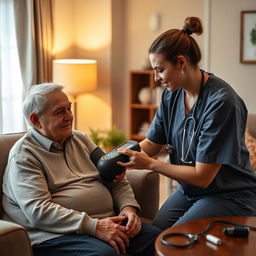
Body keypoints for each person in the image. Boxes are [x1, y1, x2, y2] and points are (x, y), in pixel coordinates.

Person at [117, 16, 256, 231]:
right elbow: (152, 143)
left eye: (160, 70)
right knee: (153, 234)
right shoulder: (171, 95)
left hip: (229, 194)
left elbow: (202, 177)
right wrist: (118, 157)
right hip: (190, 189)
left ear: (181, 62)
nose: (155, 78)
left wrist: (150, 164)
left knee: (171, 241)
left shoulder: (222, 102)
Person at [2, 83, 160, 256]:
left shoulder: (80, 139)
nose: (69, 116)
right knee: (104, 254)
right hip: (55, 234)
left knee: (158, 239)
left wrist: (127, 207)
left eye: (69, 108)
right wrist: (94, 226)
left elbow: (114, 175)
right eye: (59, 112)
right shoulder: (24, 156)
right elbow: (39, 211)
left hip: (104, 221)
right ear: (35, 120)